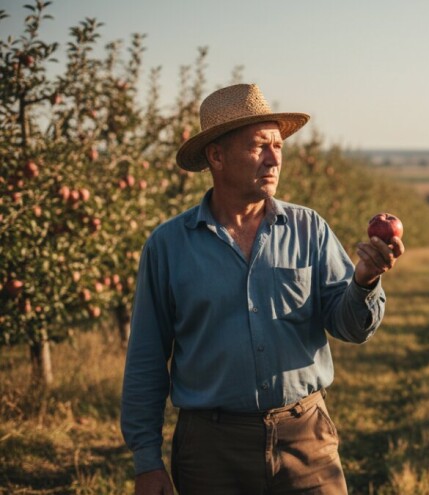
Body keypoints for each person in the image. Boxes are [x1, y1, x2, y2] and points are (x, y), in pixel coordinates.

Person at [121, 83, 404, 494]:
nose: (274, 159)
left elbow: (351, 329)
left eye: (279, 146)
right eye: (259, 146)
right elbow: (146, 358)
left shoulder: (309, 229)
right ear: (216, 156)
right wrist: (146, 460)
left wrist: (364, 281)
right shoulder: (169, 245)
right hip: (210, 451)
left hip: (305, 438)